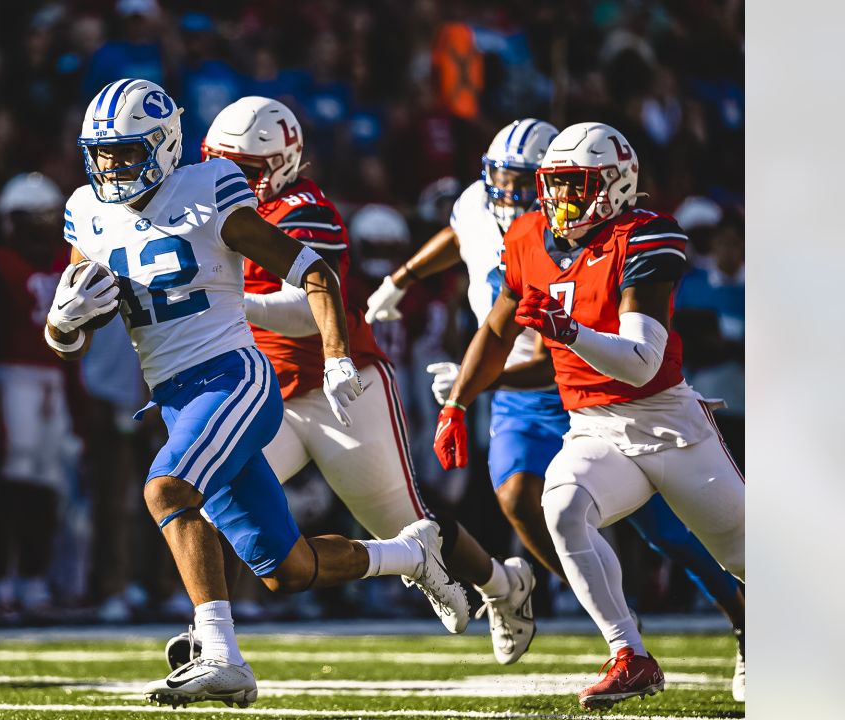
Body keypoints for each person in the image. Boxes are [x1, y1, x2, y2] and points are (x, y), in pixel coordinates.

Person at [47, 79, 466, 709]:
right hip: (175, 398)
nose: (112, 167)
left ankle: (220, 653)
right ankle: (407, 554)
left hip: (234, 376)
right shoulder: (88, 211)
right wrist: (61, 322)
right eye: (103, 153)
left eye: (127, 152)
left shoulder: (210, 190)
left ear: (163, 147)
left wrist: (335, 357)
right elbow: (74, 336)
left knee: (166, 488)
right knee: (288, 570)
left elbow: (314, 271)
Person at [367, 118, 747, 697]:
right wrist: (459, 404)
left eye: (576, 184)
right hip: (591, 425)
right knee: (561, 506)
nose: (561, 198)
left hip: (665, 423)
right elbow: (496, 331)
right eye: (555, 183)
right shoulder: (525, 235)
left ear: (618, 185)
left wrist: (569, 332)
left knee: (743, 554)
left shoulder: (646, 235)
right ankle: (629, 652)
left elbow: (642, 362)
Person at [169, 96, 535, 664]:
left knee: (409, 522)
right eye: (219, 163)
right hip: (268, 394)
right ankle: (212, 639)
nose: (228, 179)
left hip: (342, 385)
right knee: (217, 506)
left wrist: (230, 299)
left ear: (284, 164)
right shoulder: (206, 202)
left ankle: (503, 585)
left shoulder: (303, 208)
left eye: (245, 171)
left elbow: (306, 308)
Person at [0, 172, 74, 620]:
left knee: (45, 486)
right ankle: (0, 580)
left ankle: (33, 579)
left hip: (52, 379)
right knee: (11, 484)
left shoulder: (61, 262)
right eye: (33, 220)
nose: (42, 228)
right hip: (12, 378)